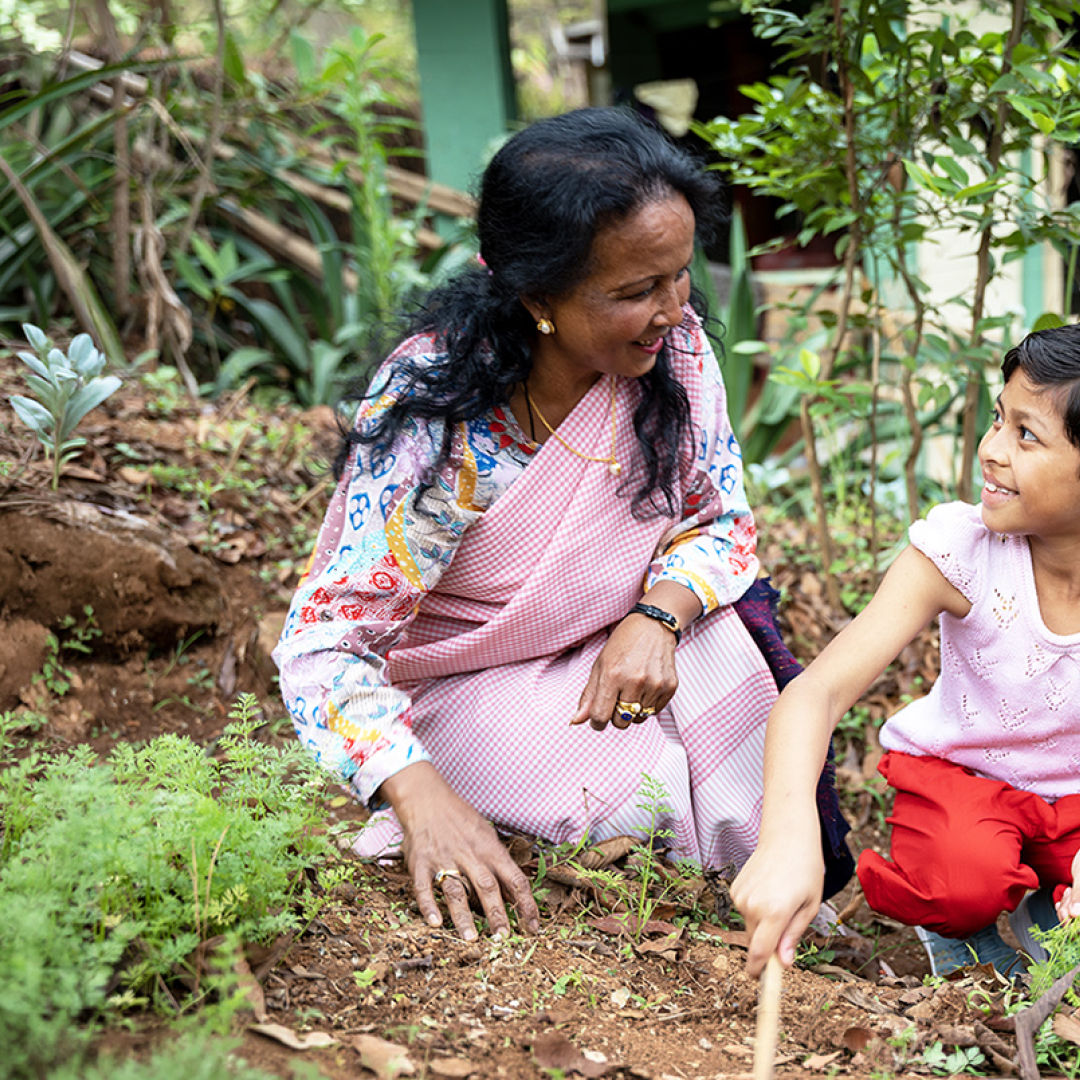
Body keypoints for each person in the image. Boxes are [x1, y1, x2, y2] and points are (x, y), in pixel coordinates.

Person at [274, 106, 851, 943]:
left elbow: (721, 521)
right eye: (634, 291)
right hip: (466, 683)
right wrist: (416, 791)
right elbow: (324, 646)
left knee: (732, 672)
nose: (672, 310)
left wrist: (658, 616)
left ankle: (781, 902)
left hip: (612, 640)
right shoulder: (435, 407)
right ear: (537, 295)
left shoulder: (676, 358)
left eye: (680, 275)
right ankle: (693, 915)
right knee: (629, 783)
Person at [733, 324, 1080, 979]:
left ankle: (1047, 909)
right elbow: (817, 693)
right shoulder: (963, 552)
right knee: (961, 876)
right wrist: (787, 838)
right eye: (998, 420)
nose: (992, 450)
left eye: (1026, 435)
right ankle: (964, 931)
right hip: (969, 785)